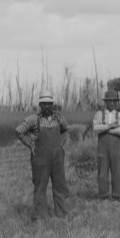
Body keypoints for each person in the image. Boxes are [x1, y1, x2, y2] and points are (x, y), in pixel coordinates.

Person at [15, 90, 70, 220]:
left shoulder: (59, 118)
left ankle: (62, 215)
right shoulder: (33, 119)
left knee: (60, 186)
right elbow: (19, 131)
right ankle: (41, 218)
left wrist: (61, 145)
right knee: (40, 187)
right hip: (40, 159)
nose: (47, 106)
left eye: (49, 103)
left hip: (57, 159)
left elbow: (65, 131)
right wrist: (30, 144)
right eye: (44, 104)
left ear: (52, 104)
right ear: (40, 104)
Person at [93, 90, 120, 201]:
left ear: (116, 102)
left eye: (114, 101)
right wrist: (111, 126)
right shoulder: (99, 114)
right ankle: (103, 195)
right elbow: (96, 128)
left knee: (117, 171)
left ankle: (116, 195)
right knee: (102, 172)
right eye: (109, 101)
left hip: (116, 147)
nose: (112, 103)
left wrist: (107, 129)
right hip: (103, 147)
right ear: (106, 102)